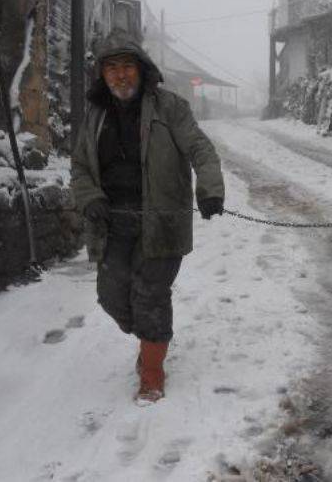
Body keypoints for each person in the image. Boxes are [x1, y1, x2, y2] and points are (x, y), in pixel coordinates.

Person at [71, 29, 225, 402]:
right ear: (103, 75)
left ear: (141, 70)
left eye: (127, 66)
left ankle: (152, 373)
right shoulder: (94, 116)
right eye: (112, 69)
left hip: (162, 220)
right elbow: (79, 167)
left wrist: (210, 190)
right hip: (113, 222)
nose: (120, 75)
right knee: (111, 296)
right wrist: (89, 196)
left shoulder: (170, 107)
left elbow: (200, 150)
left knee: (151, 295)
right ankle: (146, 339)